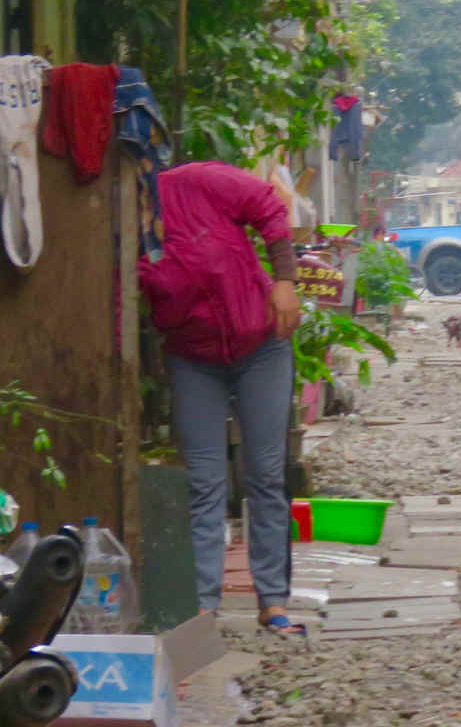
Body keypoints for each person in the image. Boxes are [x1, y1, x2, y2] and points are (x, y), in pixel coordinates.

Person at [138, 161, 305, 636]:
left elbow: (269, 205)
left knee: (266, 475)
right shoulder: (121, 232)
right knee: (204, 482)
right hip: (193, 359)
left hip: (262, 344)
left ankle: (273, 602)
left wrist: (285, 281)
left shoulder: (196, 183)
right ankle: (203, 608)